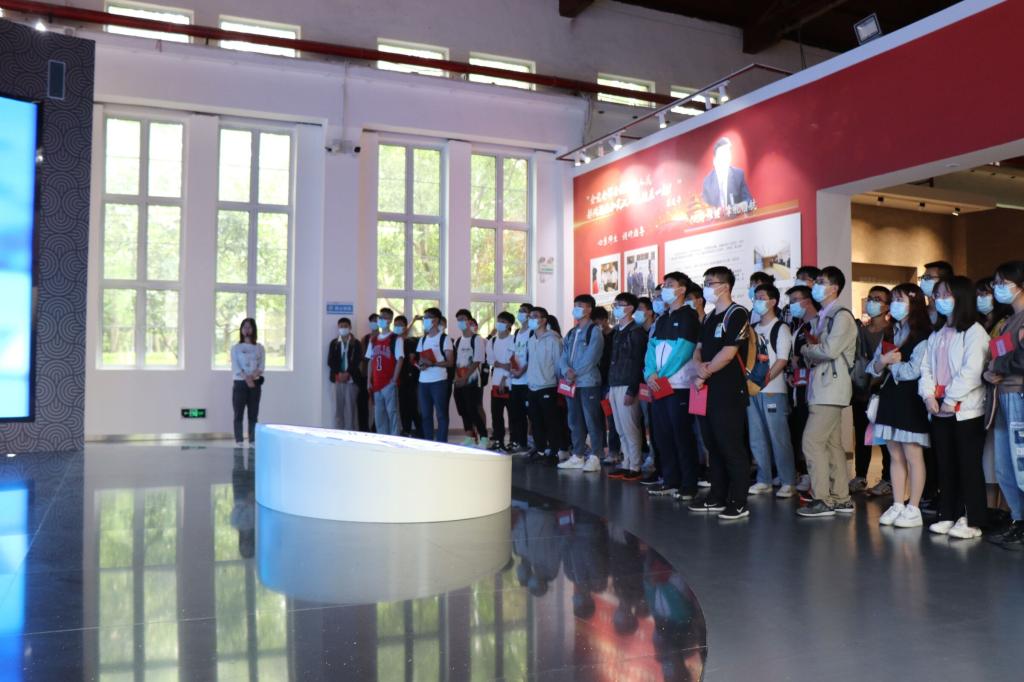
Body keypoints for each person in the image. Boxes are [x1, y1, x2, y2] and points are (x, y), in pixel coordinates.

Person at [919, 275, 989, 539]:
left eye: (946, 295)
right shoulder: (937, 333)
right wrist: (928, 396)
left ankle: (971, 519)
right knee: (945, 464)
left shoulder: (974, 332)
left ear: (961, 297)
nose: (940, 300)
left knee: (967, 465)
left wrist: (950, 398)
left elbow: (972, 370)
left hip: (965, 411)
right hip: (939, 408)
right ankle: (948, 514)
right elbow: (927, 368)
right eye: (937, 295)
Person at [868, 283, 932, 528]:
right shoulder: (890, 331)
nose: (894, 304)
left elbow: (914, 371)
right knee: (894, 454)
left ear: (914, 303)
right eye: (893, 299)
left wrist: (890, 363)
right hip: (889, 397)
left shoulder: (923, 334)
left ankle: (913, 507)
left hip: (911, 399)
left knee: (913, 455)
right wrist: (883, 362)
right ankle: (897, 503)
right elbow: (874, 366)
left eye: (899, 299)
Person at [690, 266, 752, 520]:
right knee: (712, 445)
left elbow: (729, 352)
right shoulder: (708, 318)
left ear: (725, 286)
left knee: (731, 446)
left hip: (728, 390)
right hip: (706, 390)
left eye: (710, 283)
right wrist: (698, 367)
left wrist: (703, 373)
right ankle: (717, 495)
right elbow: (698, 349)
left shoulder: (737, 313)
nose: (706, 288)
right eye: (705, 283)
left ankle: (739, 501)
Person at [796, 266, 858, 518]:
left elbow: (829, 351)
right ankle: (841, 498)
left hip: (831, 388)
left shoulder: (841, 316)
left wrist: (805, 350)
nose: (816, 286)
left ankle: (822, 499)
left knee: (811, 442)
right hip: (823, 387)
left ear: (834, 288)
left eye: (821, 282)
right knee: (832, 445)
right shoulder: (824, 316)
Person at [645, 272, 701, 499]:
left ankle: (688, 484)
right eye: (664, 284)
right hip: (659, 385)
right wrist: (650, 374)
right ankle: (670, 480)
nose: (665, 288)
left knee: (682, 435)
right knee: (662, 435)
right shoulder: (662, 319)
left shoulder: (689, 316)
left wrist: (661, 375)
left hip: (680, 386)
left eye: (670, 284)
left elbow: (684, 350)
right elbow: (651, 349)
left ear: (682, 289)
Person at [986, 261, 1024, 548]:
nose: (998, 288)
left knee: (1020, 464)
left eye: (1003, 282)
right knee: (1005, 466)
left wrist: (1000, 367)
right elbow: (998, 356)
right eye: (996, 283)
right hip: (1002, 394)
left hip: (1018, 394)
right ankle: (1018, 519)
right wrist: (989, 371)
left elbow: (1018, 360)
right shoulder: (1010, 320)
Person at [746, 283, 797, 498]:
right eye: (755, 297)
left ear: (773, 302)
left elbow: (782, 360)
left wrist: (763, 380)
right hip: (752, 390)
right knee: (756, 436)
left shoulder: (780, 328)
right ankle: (763, 479)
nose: (757, 301)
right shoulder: (752, 328)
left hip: (773, 390)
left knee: (779, 437)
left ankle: (788, 480)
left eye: (761, 297)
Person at [850, 286, 893, 494]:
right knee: (861, 434)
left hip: (883, 391)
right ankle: (860, 476)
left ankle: (887, 479)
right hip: (860, 389)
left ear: (887, 306)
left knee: (884, 437)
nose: (872, 302)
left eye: (878, 299)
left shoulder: (891, 331)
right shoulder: (859, 331)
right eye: (870, 298)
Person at [557, 294, 605, 472]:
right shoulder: (571, 332)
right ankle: (577, 455)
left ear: (589, 309)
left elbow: (591, 357)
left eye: (581, 305)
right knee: (574, 420)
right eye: (575, 305)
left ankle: (595, 456)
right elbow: (563, 355)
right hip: (571, 384)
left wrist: (574, 372)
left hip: (588, 382)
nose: (576, 308)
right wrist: (566, 371)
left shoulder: (594, 331)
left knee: (592, 420)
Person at [606, 292, 649, 482]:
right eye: (615, 304)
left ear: (630, 308)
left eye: (620, 304)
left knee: (630, 427)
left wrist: (632, 389)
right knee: (619, 428)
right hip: (615, 383)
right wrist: (609, 387)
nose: (616, 308)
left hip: (628, 384)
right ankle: (626, 462)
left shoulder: (636, 332)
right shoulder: (617, 331)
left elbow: (638, 363)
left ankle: (635, 465)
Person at [786, 284, 821, 494]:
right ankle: (805, 473)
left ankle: (816, 479)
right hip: (798, 386)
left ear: (807, 301)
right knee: (799, 431)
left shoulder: (818, 323)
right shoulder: (799, 326)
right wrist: (792, 370)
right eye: (790, 302)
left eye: (795, 301)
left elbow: (819, 353)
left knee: (812, 435)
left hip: (816, 387)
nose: (792, 305)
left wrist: (801, 360)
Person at [525, 307, 563, 466]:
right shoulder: (531, 339)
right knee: (535, 420)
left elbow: (558, 363)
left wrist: (558, 384)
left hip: (548, 385)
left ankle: (554, 451)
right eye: (530, 316)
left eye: (535, 316)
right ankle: (540, 449)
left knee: (551, 421)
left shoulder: (553, 339)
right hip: (532, 386)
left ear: (544, 320)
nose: (531, 319)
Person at [416, 307, 454, 443]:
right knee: (425, 415)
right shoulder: (422, 339)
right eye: (424, 317)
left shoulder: (444, 338)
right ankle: (428, 442)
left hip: (439, 381)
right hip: (423, 381)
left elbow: (450, 362)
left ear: (436, 320)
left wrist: (432, 364)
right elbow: (420, 359)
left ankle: (442, 442)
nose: (424, 320)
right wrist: (421, 365)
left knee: (441, 414)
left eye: (427, 317)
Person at [453, 310, 489, 448]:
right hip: (459, 381)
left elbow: (477, 360)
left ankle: (484, 437)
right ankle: (469, 437)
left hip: (472, 380)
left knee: (473, 409)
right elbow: (456, 361)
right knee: (463, 410)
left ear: (469, 321)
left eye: (463, 319)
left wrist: (465, 377)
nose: (460, 322)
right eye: (458, 319)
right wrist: (457, 378)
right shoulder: (458, 341)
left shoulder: (476, 339)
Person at [365, 308, 403, 436]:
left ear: (390, 320)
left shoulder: (396, 338)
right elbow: (370, 361)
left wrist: (394, 380)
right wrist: (368, 381)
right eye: (380, 317)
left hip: (389, 382)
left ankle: (395, 438)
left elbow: (400, 359)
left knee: (392, 413)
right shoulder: (373, 339)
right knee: (379, 415)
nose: (381, 320)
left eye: (385, 317)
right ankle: (383, 438)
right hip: (376, 383)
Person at [592, 306, 621, 466]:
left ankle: (614, 450)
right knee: (596, 417)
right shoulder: (594, 336)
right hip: (596, 381)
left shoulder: (614, 335)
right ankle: (601, 448)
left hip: (610, 382)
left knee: (612, 418)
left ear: (605, 320)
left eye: (599, 322)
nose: (597, 325)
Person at [231, 318, 265, 447]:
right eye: (244, 327)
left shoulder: (259, 348)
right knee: (238, 413)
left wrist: (252, 378)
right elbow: (236, 367)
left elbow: (261, 366)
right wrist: (247, 378)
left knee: (253, 414)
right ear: (241, 330)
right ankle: (239, 440)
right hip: (240, 383)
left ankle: (252, 440)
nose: (246, 329)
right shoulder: (236, 348)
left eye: (249, 327)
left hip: (255, 384)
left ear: (254, 329)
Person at [326, 316, 363, 431]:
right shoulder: (334, 343)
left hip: (351, 380)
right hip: (337, 380)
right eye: (341, 326)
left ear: (350, 327)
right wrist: (339, 374)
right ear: (338, 328)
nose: (343, 328)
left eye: (345, 326)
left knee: (350, 411)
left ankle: (350, 433)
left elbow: (357, 360)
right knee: (338, 410)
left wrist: (347, 373)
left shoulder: (356, 343)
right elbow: (330, 361)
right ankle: (338, 433)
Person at [487, 311, 517, 452]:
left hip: (510, 383)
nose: (499, 324)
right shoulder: (492, 341)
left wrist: (505, 376)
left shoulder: (513, 340)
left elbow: (514, 361)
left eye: (503, 322)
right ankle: (498, 440)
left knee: (513, 414)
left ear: (509, 324)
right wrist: (502, 365)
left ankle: (513, 441)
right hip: (495, 382)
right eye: (499, 321)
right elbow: (490, 360)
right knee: (496, 414)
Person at [508, 303, 534, 453]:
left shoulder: (532, 332)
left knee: (530, 414)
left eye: (524, 311)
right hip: (515, 380)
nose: (521, 313)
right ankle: (521, 443)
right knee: (517, 414)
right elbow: (514, 353)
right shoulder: (517, 332)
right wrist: (512, 368)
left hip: (527, 381)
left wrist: (522, 371)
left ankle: (535, 443)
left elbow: (532, 356)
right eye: (520, 311)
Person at [700, 136, 753, 209]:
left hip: (736, 215)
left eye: (727, 154)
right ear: (714, 161)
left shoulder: (738, 175)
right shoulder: (707, 182)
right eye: (721, 155)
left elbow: (749, 202)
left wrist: (737, 207)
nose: (725, 158)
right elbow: (704, 208)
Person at [395, 315, 422, 438]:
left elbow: (412, 360)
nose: (398, 327)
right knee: (403, 406)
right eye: (396, 325)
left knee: (412, 405)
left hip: (411, 378)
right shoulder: (395, 341)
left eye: (400, 325)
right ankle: (406, 430)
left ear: (405, 327)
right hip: (400, 378)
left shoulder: (410, 342)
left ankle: (419, 431)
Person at [358, 313, 379, 432]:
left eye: (376, 320)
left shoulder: (385, 337)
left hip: (379, 376)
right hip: (366, 374)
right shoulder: (365, 339)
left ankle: (376, 427)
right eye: (372, 321)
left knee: (378, 404)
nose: (374, 323)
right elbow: (362, 357)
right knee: (362, 402)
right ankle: (363, 428)